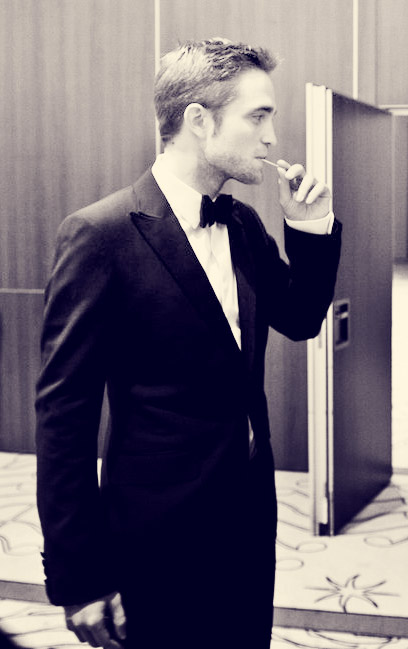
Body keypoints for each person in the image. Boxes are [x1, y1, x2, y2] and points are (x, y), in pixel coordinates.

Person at [35, 38, 341, 649]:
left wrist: (310, 226)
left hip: (248, 517)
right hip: (155, 531)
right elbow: (63, 421)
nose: (272, 138)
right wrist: (78, 576)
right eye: (259, 116)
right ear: (199, 120)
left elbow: (302, 318)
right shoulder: (99, 235)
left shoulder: (243, 222)